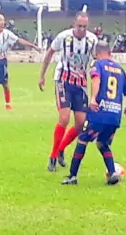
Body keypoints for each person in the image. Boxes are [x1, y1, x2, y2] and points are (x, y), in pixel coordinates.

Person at [61, 41, 126, 186]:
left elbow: (97, 79)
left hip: (99, 111)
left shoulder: (97, 65)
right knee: (102, 143)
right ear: (110, 52)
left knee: (82, 139)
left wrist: (93, 98)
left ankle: (72, 176)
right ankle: (112, 172)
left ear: (96, 53)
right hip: (115, 115)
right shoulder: (120, 69)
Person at [38, 12, 98, 172]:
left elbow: (96, 61)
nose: (82, 29)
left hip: (80, 83)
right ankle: (52, 156)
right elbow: (49, 53)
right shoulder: (63, 37)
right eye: (79, 26)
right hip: (63, 80)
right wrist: (42, 75)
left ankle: (61, 149)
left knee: (80, 123)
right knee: (64, 118)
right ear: (74, 24)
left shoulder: (92, 40)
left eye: (85, 27)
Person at [0, 14, 40, 112]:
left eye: (3, 21)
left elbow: (19, 40)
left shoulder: (7, 34)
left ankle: (8, 104)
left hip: (2, 61)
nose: (3, 23)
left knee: (5, 84)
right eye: (1, 20)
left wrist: (33, 46)